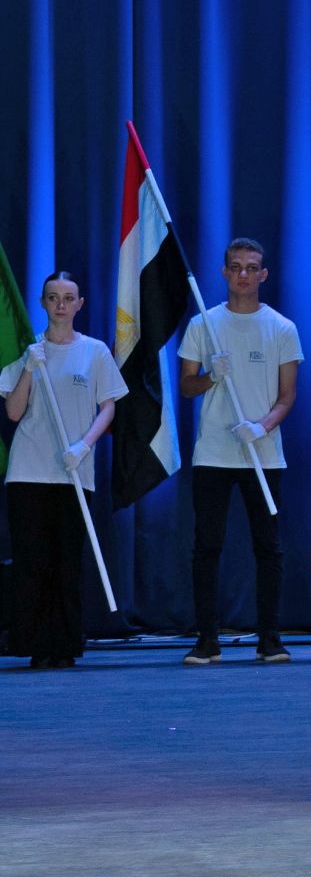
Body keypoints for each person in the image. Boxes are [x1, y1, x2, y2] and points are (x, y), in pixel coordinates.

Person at [178, 238, 302, 665]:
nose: (244, 275)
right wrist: (212, 375)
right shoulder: (204, 325)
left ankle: (270, 639)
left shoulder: (282, 328)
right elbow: (186, 386)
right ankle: (207, 641)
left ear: (263, 274)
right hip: (213, 452)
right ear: (225, 272)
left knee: (268, 548)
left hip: (263, 455)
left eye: (252, 267)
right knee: (206, 547)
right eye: (236, 267)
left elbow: (287, 397)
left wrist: (261, 426)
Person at [2, 272, 126, 668]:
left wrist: (84, 444)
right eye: (53, 297)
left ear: (79, 304)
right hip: (29, 472)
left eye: (68, 298)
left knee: (67, 560)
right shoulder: (30, 353)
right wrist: (28, 369)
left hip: (75, 470)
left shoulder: (95, 352)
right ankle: (35, 644)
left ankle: (66, 643)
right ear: (42, 303)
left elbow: (108, 406)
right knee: (32, 561)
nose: (60, 304)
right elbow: (14, 412)